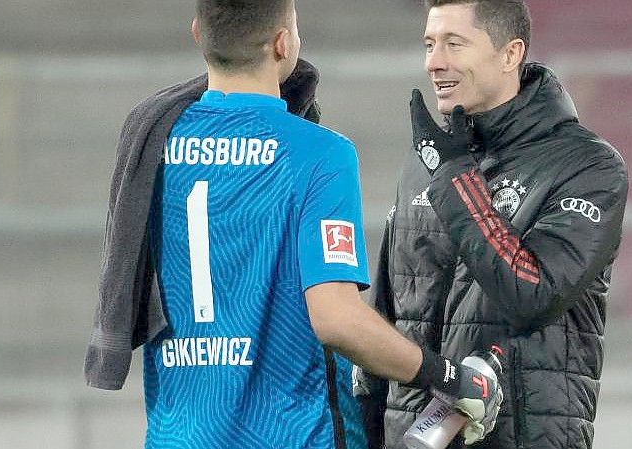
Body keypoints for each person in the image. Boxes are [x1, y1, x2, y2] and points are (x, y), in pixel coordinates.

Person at [85, 1, 504, 448]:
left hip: (178, 437)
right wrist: (449, 377)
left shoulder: (153, 147)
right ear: (283, 43)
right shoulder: (316, 153)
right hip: (294, 435)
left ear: (197, 34)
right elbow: (336, 319)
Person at [353, 1, 629, 448]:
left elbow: (533, 294)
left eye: (454, 44)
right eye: (429, 44)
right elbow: (390, 313)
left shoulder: (588, 166)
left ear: (509, 54)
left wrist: (455, 176)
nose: (434, 62)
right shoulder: (431, 162)